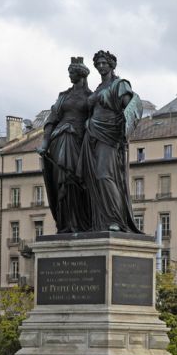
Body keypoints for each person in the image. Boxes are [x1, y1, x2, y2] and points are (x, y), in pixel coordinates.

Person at [79, 50, 143, 233]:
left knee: (104, 175)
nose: (100, 66)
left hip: (110, 134)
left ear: (112, 65)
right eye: (98, 63)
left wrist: (123, 131)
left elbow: (131, 108)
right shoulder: (99, 88)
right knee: (92, 178)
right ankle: (100, 221)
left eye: (104, 63)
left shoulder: (119, 85)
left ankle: (115, 219)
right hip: (92, 133)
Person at [37, 57, 92, 233]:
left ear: (81, 75)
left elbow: (95, 120)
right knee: (61, 181)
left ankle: (79, 222)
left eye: (72, 72)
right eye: (69, 72)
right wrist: (45, 143)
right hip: (59, 140)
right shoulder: (63, 96)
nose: (69, 76)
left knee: (74, 180)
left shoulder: (91, 97)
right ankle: (65, 222)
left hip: (79, 141)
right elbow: (51, 119)